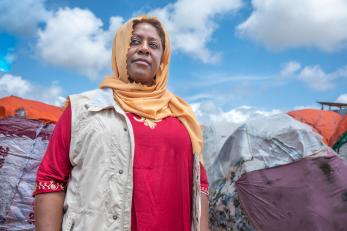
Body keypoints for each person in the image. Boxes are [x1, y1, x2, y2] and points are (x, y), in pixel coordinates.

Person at [34, 16, 209, 231]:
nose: (144, 49)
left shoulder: (184, 118)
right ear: (120, 49)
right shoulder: (83, 109)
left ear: (163, 58)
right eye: (135, 41)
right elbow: (50, 180)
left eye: (153, 45)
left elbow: (200, 185)